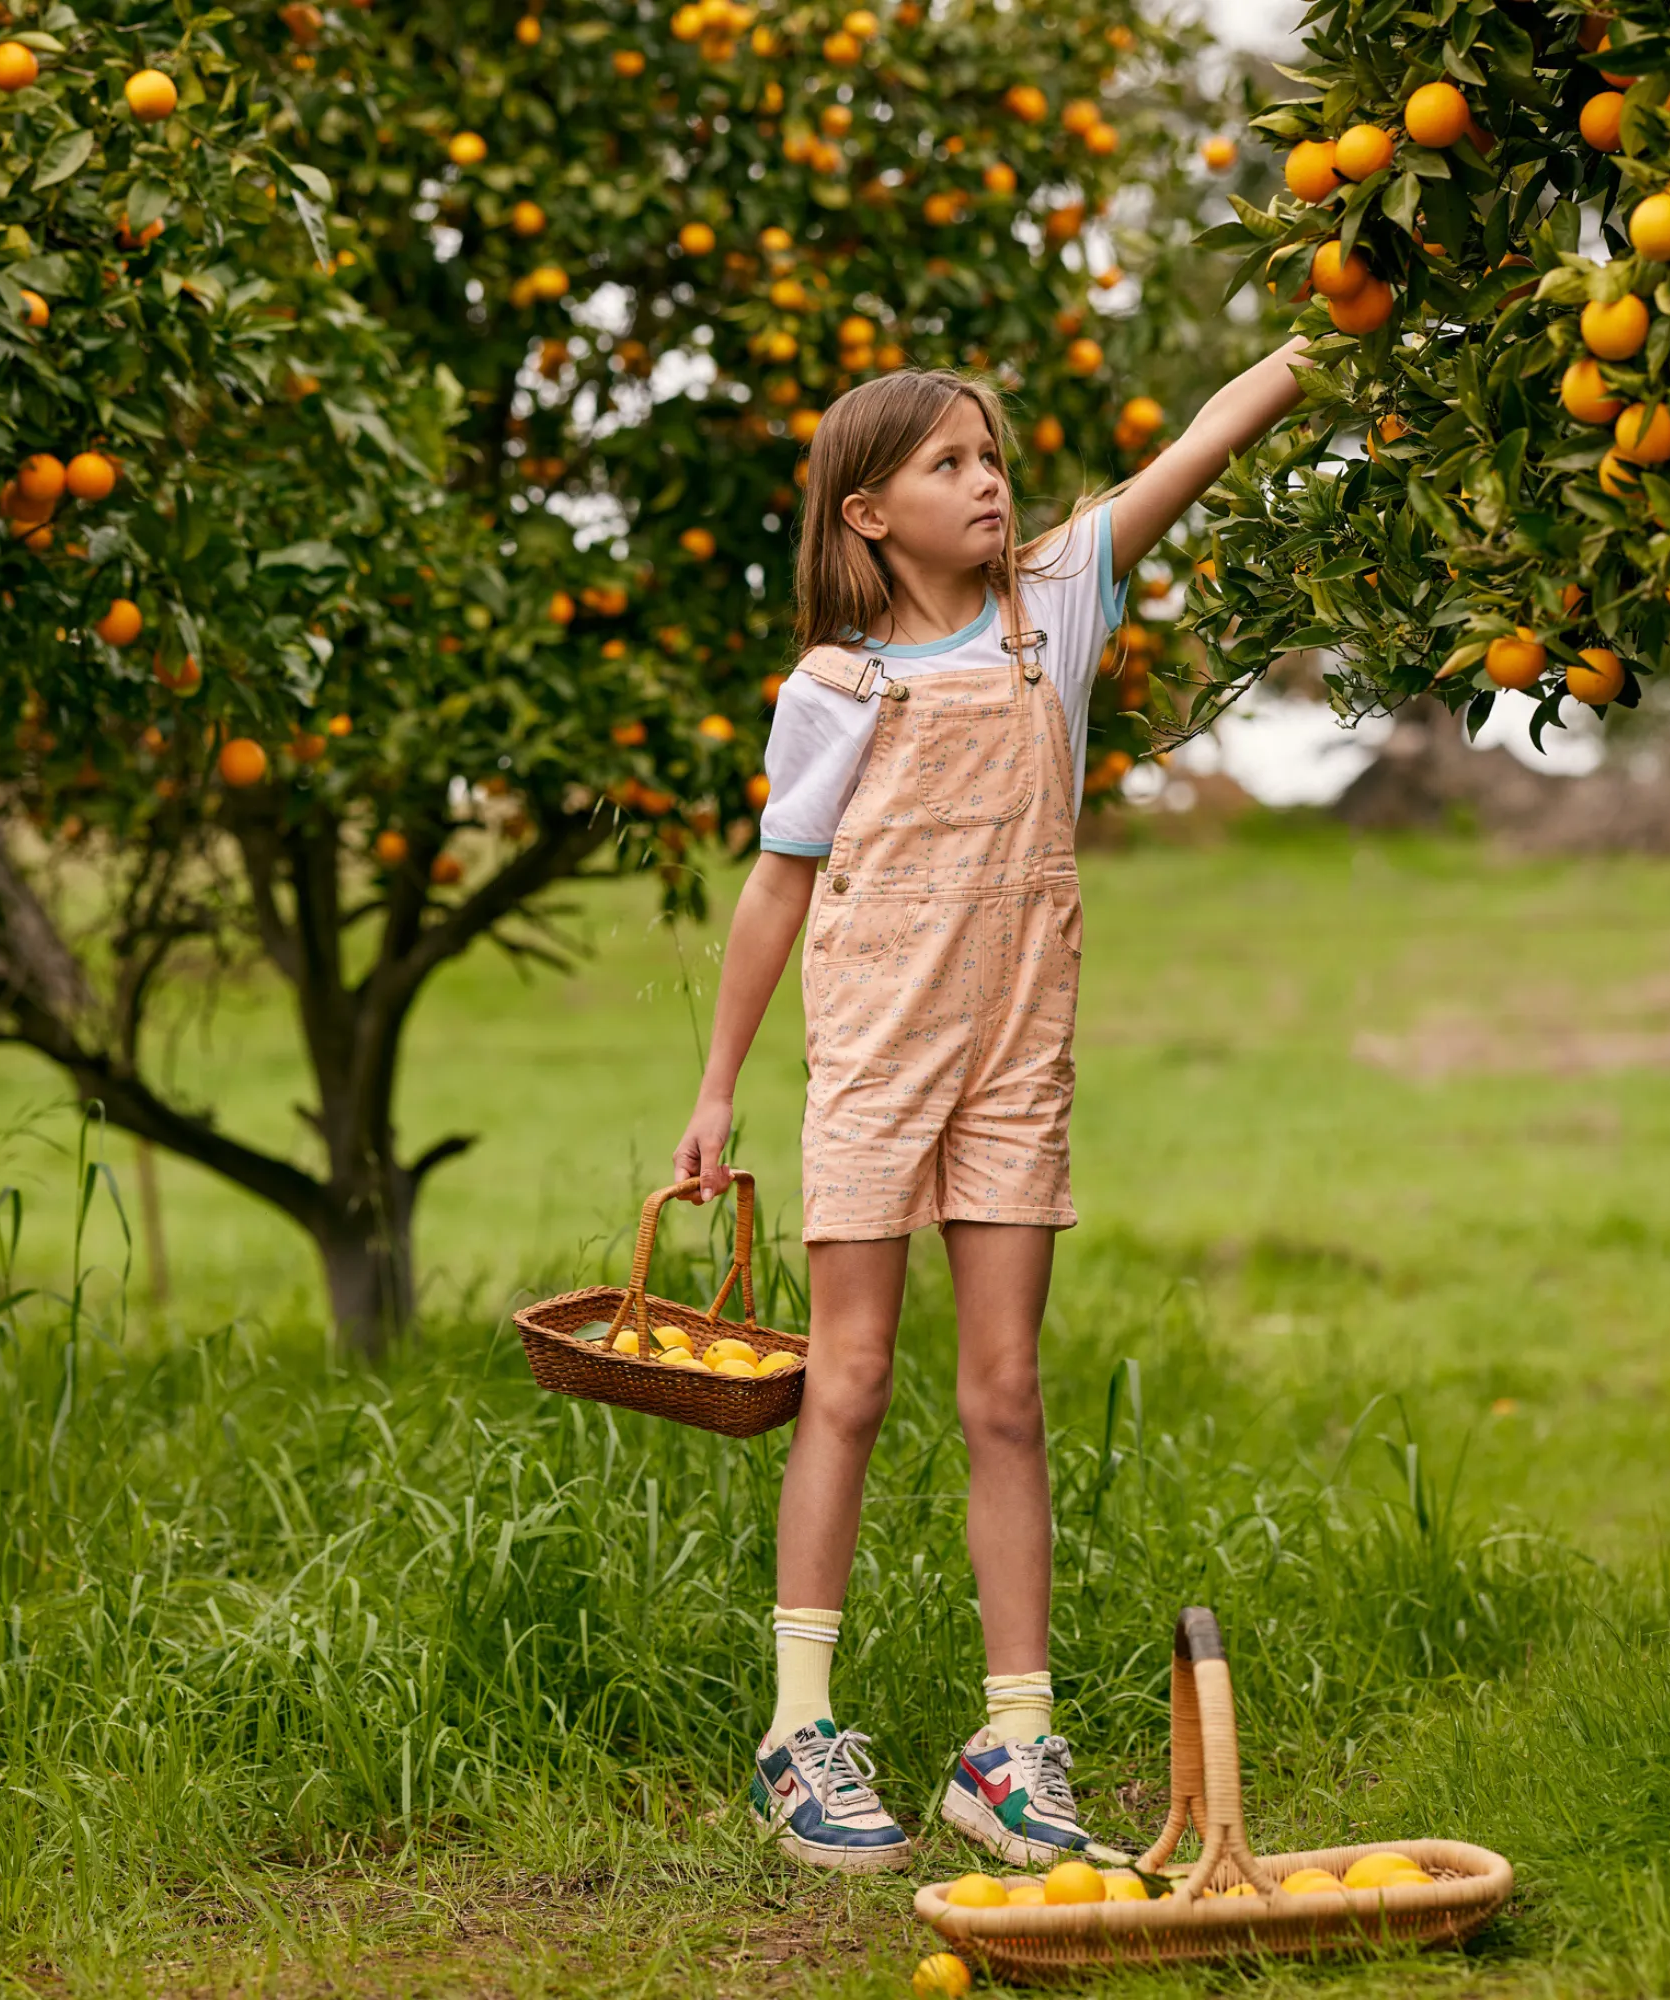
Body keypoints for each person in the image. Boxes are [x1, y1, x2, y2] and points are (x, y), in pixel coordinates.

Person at [672, 343, 1308, 1874]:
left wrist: (1315, 350)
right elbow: (775, 889)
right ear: (868, 511)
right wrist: (714, 1090)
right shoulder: (835, 687)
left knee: (1007, 1391)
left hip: (1018, 1056)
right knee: (851, 1381)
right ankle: (796, 1731)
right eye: (950, 465)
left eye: (992, 456)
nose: (988, 481)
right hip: (880, 1063)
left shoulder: (1056, 608)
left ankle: (1010, 1747)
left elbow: (1199, 446)